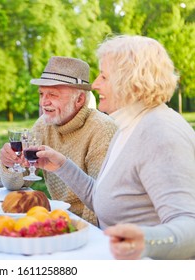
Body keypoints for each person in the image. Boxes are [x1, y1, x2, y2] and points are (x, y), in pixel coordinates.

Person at [35, 35, 195, 259]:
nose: (95, 84)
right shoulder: (129, 124)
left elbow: (190, 226)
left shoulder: (160, 133)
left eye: (104, 76)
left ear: (130, 80)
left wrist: (147, 240)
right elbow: (102, 198)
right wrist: (61, 165)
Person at [0, 57, 117, 225]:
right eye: (41, 94)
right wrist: (9, 164)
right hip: (58, 219)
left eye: (52, 94)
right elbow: (17, 183)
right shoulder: (44, 124)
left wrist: (80, 231)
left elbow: (101, 203)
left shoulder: (102, 130)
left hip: (87, 228)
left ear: (79, 100)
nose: (43, 102)